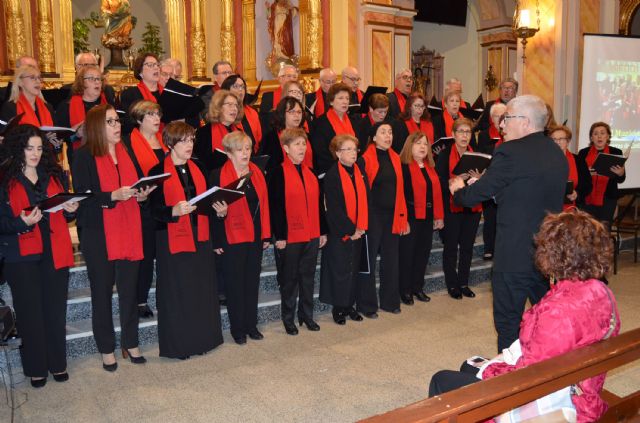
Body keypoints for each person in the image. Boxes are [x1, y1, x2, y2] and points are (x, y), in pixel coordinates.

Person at [429, 210, 620, 423]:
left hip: (553, 406)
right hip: (582, 389)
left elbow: (528, 378)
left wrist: (490, 367)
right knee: (468, 365)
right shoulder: (601, 293)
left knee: (442, 380)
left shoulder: (558, 311)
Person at [449, 95, 568, 351]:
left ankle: (511, 381)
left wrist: (459, 190)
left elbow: (473, 197)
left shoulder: (509, 150)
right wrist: (492, 190)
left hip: (514, 254)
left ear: (524, 122)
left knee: (508, 324)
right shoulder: (557, 153)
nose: (501, 125)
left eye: (507, 119)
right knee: (545, 319)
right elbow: (525, 191)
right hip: (546, 254)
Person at [72, 104, 154, 371]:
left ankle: (131, 342)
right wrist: (112, 197)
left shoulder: (125, 152)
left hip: (129, 228)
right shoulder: (83, 156)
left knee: (129, 292)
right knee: (102, 293)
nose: (117, 126)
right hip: (99, 233)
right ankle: (106, 347)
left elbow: (133, 186)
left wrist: (140, 195)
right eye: (110, 122)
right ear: (97, 126)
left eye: (117, 121)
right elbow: (83, 198)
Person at [0, 124, 77, 387]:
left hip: (55, 249)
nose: (34, 153)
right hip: (21, 255)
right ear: (18, 148)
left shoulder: (52, 174)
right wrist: (21, 222)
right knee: (30, 313)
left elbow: (64, 211)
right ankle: (36, 368)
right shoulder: (4, 179)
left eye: (39, 148)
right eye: (29, 148)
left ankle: (57, 363)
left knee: (55, 311)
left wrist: (70, 209)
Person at [147, 121, 225, 359]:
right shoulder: (156, 172)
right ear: (170, 143)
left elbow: (207, 203)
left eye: (191, 140)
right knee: (177, 293)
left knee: (201, 290)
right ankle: (180, 345)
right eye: (183, 141)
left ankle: (204, 340)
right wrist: (172, 211)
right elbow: (151, 210)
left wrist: (219, 211)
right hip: (171, 240)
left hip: (200, 238)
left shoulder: (199, 167)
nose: (189, 145)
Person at [210, 131, 271, 345]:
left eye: (248, 148)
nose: (245, 153)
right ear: (229, 153)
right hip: (230, 235)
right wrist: (217, 240)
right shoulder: (217, 175)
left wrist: (266, 234)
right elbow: (212, 210)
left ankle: (251, 325)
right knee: (235, 284)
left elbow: (264, 205)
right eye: (240, 150)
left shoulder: (257, 172)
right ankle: (238, 329)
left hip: (255, 234)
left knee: (251, 282)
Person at [268, 128, 326, 335]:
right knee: (290, 279)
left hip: (311, 234)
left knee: (308, 277)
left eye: (304, 144)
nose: (302, 148)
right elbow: (275, 207)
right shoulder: (277, 173)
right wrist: (280, 236)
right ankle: (288, 319)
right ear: (286, 148)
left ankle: (306, 316)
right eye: (297, 144)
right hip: (290, 236)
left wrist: (323, 231)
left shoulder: (310, 172)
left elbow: (319, 205)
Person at [121, 100, 167, 318]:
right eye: (150, 115)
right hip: (142, 206)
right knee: (146, 256)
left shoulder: (164, 142)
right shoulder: (128, 144)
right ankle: (140, 300)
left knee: (165, 255)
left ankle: (166, 296)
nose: (156, 118)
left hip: (165, 205)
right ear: (139, 119)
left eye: (158, 114)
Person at [358, 122, 408, 317]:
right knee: (369, 263)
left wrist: (404, 217)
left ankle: (389, 301)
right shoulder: (365, 159)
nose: (388, 136)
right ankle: (367, 305)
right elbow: (362, 193)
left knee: (391, 260)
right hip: (372, 216)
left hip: (392, 216)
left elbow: (400, 191)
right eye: (383, 132)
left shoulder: (396, 158)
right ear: (374, 137)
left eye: (390, 132)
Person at [319, 134, 369, 325]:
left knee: (353, 269)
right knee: (340, 270)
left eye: (354, 148)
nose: (353, 153)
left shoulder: (359, 171)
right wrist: (351, 229)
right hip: (341, 232)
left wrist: (362, 226)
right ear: (338, 153)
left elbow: (366, 199)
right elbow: (334, 209)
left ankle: (350, 305)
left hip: (359, 229)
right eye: (347, 149)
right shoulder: (332, 176)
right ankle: (339, 308)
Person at [436, 118, 482, 300]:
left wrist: (479, 177)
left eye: (468, 132)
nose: (464, 135)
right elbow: (439, 182)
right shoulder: (445, 155)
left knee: (467, 247)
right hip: (452, 206)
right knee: (451, 247)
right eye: (461, 132)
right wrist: (455, 180)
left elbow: (484, 184)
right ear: (453, 134)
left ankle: (464, 283)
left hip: (472, 206)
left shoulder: (476, 155)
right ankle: (452, 284)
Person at [399, 131, 444, 304]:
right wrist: (403, 219)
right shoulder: (403, 167)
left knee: (422, 254)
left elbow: (437, 194)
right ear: (410, 146)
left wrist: (438, 216)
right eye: (418, 143)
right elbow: (400, 195)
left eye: (425, 144)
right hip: (410, 217)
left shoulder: (430, 167)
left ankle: (418, 287)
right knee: (407, 255)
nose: (423, 147)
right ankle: (405, 290)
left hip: (427, 216)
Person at [55, 66, 110, 165]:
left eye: (99, 79)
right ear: (82, 82)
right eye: (91, 78)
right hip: (79, 158)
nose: (97, 82)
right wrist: (76, 135)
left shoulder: (108, 105)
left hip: (107, 154)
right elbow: (59, 137)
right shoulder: (66, 107)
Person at [578, 122, 626, 228]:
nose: (599, 136)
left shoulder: (616, 152)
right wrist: (586, 173)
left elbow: (621, 179)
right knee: (588, 231)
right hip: (587, 198)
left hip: (608, 199)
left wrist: (620, 173)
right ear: (591, 137)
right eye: (595, 133)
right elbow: (579, 177)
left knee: (604, 230)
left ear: (608, 136)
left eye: (602, 133)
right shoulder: (583, 153)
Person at [476, 102, 507, 260]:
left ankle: (500, 248)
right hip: (489, 176)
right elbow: (481, 156)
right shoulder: (484, 134)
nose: (499, 119)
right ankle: (488, 247)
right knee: (490, 216)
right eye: (496, 116)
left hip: (505, 182)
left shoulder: (509, 134)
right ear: (491, 118)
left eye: (503, 116)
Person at [310, 83, 358, 174]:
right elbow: (320, 152)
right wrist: (341, 168)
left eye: (347, 98)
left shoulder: (354, 121)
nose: (345, 102)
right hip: (331, 171)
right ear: (331, 101)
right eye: (340, 98)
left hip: (352, 168)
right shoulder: (320, 123)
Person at [194, 89, 243, 172]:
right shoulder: (204, 133)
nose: (234, 108)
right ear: (218, 107)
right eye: (230, 104)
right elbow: (201, 165)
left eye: (236, 105)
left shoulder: (240, 133)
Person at [262, 97, 312, 176]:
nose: (297, 115)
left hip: (308, 180)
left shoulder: (308, 136)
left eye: (299, 112)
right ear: (282, 114)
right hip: (281, 182)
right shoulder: (271, 138)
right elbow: (268, 168)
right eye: (292, 112)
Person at [549, 125, 592, 210]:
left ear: (568, 141)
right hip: (549, 208)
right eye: (554, 139)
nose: (557, 142)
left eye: (561, 139)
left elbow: (587, 185)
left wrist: (577, 193)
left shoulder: (579, 160)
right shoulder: (543, 161)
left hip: (573, 208)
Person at [0, 66, 55, 131]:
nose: (38, 81)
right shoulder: (10, 108)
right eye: (32, 77)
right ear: (20, 82)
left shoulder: (48, 107)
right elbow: (6, 136)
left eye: (39, 78)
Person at [119, 53, 163, 132]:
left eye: (157, 65)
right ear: (140, 72)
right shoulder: (130, 94)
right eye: (150, 65)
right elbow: (127, 123)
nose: (156, 68)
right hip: (140, 138)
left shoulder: (166, 93)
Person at [221, 74, 263, 153]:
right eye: (236, 86)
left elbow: (259, 140)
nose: (240, 89)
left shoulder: (252, 112)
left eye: (242, 87)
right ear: (226, 90)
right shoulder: (223, 113)